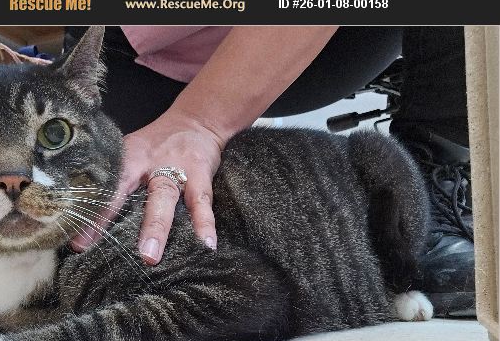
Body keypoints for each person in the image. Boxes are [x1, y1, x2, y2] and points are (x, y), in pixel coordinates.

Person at [64, 26, 474, 317]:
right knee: (104, 243)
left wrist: (200, 121)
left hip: (326, 32)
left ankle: (435, 170)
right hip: (137, 44)